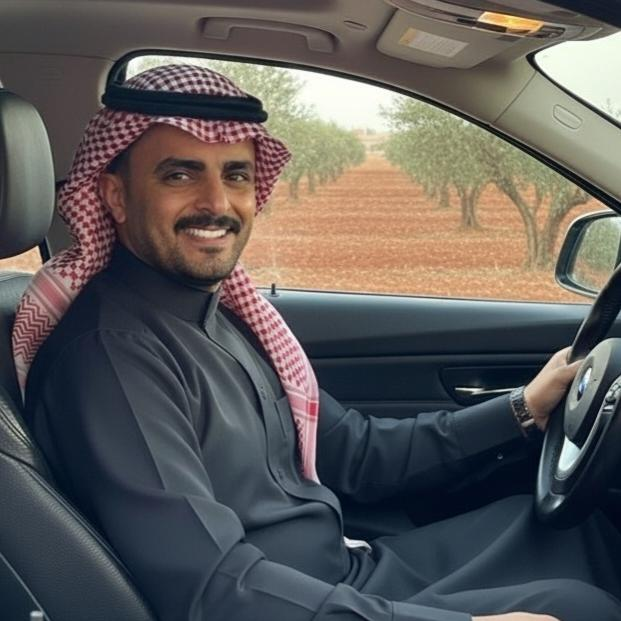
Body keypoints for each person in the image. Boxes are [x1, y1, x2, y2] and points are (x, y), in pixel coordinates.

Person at [16, 64, 621, 621]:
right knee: (578, 606)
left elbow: (354, 453)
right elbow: (210, 588)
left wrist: (523, 408)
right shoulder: (111, 356)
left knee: (576, 531)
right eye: (180, 174)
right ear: (116, 196)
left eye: (236, 175)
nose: (217, 203)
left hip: (339, 569)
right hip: (292, 598)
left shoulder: (221, 317)